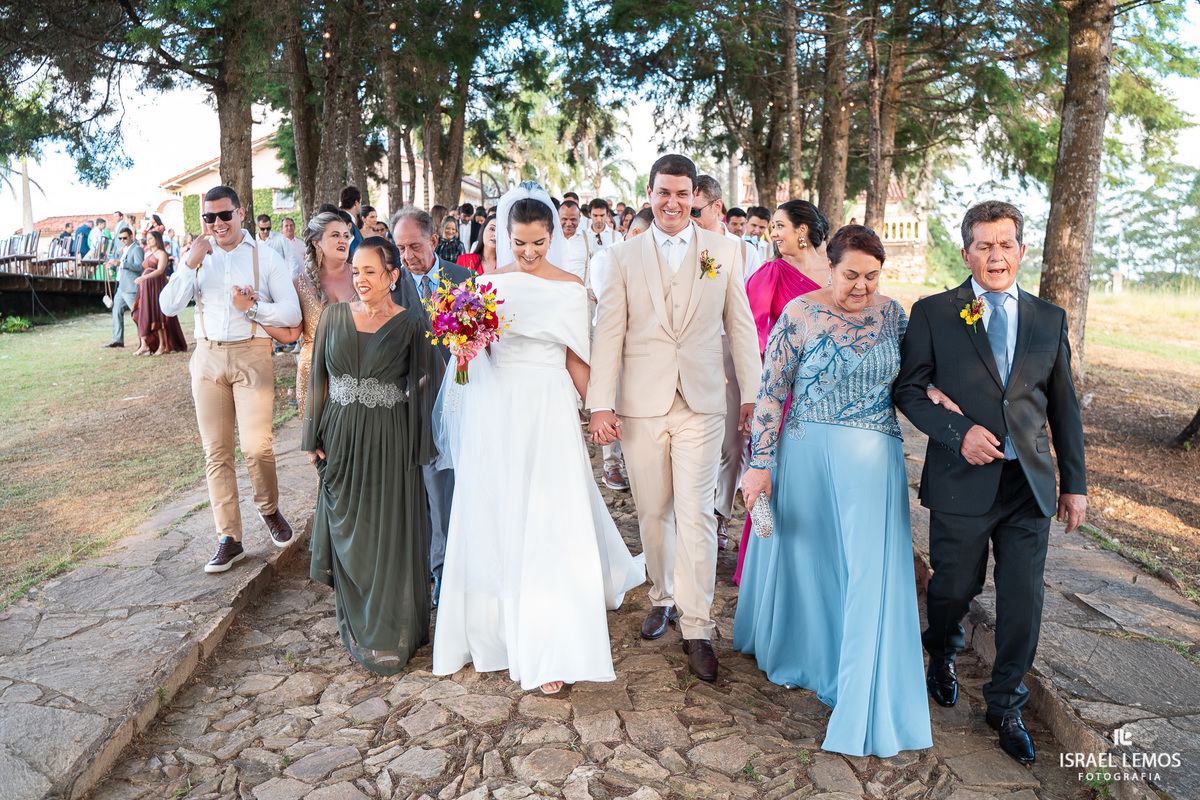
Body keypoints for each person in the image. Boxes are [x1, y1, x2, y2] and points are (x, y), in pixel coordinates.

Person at [893, 201, 1087, 765]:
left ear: (1021, 251)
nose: (995, 255)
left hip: (1029, 485)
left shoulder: (1049, 319)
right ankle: (943, 653)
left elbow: (1064, 408)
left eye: (1005, 244)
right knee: (954, 588)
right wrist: (958, 432)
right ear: (966, 252)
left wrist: (1073, 483)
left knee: (1024, 601)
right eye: (984, 245)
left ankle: (1005, 703)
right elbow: (908, 390)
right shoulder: (933, 312)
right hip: (961, 480)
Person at [432, 182, 644, 694]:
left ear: (552, 236)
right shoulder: (485, 284)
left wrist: (600, 411)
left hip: (547, 404)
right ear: (505, 235)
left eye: (538, 244)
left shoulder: (570, 287)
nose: (528, 253)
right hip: (497, 404)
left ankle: (552, 641)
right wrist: (464, 350)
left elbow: (576, 358)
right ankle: (499, 627)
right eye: (520, 243)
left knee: (551, 515)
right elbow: (474, 357)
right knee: (500, 510)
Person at [735, 225, 932, 758]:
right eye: (851, 275)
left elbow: (912, 380)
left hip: (875, 461)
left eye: (872, 276)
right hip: (807, 454)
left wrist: (940, 395)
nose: (861, 287)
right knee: (814, 560)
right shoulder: (800, 314)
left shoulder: (895, 315)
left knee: (868, 570)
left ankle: (862, 676)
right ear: (831, 265)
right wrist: (761, 466)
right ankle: (815, 658)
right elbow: (772, 393)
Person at [587, 154, 760, 682]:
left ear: (696, 199)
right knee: (654, 511)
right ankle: (661, 595)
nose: (672, 202)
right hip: (641, 404)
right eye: (664, 192)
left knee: (698, 513)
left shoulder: (724, 252)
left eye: (683, 194)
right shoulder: (620, 257)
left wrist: (750, 393)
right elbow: (608, 333)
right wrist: (600, 403)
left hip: (704, 403)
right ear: (649, 192)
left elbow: (742, 326)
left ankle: (698, 625)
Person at [303, 236, 443, 675]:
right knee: (352, 528)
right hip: (340, 436)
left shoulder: (410, 323)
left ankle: (389, 628)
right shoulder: (332, 317)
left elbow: (427, 383)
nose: (361, 280)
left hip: (389, 438)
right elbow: (318, 380)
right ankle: (358, 620)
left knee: (388, 529)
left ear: (392, 276)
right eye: (356, 272)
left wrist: (419, 441)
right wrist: (311, 436)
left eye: (371, 272)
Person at [159, 185, 302, 573]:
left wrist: (253, 307)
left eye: (225, 215)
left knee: (257, 447)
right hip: (206, 357)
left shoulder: (266, 257)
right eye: (210, 217)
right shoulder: (196, 258)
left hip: (251, 354)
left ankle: (269, 509)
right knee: (216, 452)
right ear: (202, 220)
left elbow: (291, 314)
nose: (218, 223)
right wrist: (188, 264)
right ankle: (230, 538)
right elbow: (168, 307)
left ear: (241, 213)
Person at [732, 199, 829, 583]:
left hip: (827, 392)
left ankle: (814, 563)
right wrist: (753, 392)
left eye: (779, 226)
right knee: (772, 471)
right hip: (781, 388)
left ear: (802, 231)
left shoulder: (838, 272)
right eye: (772, 227)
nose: (773, 234)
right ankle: (766, 570)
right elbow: (747, 329)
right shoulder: (772, 272)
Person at [389, 207, 474, 606]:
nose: (407, 256)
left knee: (467, 485)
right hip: (417, 404)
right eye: (401, 248)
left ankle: (469, 561)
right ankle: (440, 572)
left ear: (434, 242)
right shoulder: (391, 286)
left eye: (415, 246)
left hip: (464, 399)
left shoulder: (463, 279)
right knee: (434, 493)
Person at [691, 175, 762, 550]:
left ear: (717, 207)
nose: (688, 217)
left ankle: (721, 515)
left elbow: (748, 315)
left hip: (732, 349)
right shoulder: (687, 244)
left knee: (735, 441)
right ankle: (694, 515)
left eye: (695, 210)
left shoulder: (746, 251)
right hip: (694, 349)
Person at [259, 212, 357, 419]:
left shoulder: (360, 276)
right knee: (322, 447)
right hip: (316, 377)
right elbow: (291, 335)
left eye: (346, 235)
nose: (343, 240)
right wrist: (254, 311)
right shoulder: (298, 283)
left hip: (358, 369)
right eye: (335, 235)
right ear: (316, 242)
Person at [587, 208, 654, 493]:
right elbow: (610, 302)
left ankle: (637, 462)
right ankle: (611, 463)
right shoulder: (605, 258)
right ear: (636, 234)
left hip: (645, 342)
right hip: (611, 340)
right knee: (610, 399)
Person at [132, 230, 188, 355]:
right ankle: (144, 344)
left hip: (156, 285)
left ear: (157, 239)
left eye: (151, 238)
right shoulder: (149, 253)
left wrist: (144, 277)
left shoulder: (162, 253)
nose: (148, 240)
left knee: (158, 313)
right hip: (146, 287)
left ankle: (162, 345)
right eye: (147, 238)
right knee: (143, 312)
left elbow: (160, 270)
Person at [99, 227, 144, 349]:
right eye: (120, 238)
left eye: (125, 238)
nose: (122, 240)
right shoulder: (124, 250)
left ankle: (146, 340)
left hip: (131, 287)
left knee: (137, 315)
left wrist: (120, 263)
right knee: (116, 311)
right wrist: (112, 266)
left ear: (131, 237)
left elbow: (139, 267)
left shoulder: (137, 249)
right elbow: (121, 268)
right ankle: (117, 339)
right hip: (121, 288)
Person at [557, 200, 588, 281]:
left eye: (573, 219)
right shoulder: (550, 239)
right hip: (556, 290)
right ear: (558, 218)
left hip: (581, 291)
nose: (568, 223)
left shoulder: (588, 239)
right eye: (564, 219)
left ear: (579, 218)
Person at [340, 186, 364, 257]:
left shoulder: (343, 219)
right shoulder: (344, 222)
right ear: (356, 202)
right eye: (360, 202)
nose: (360, 205)